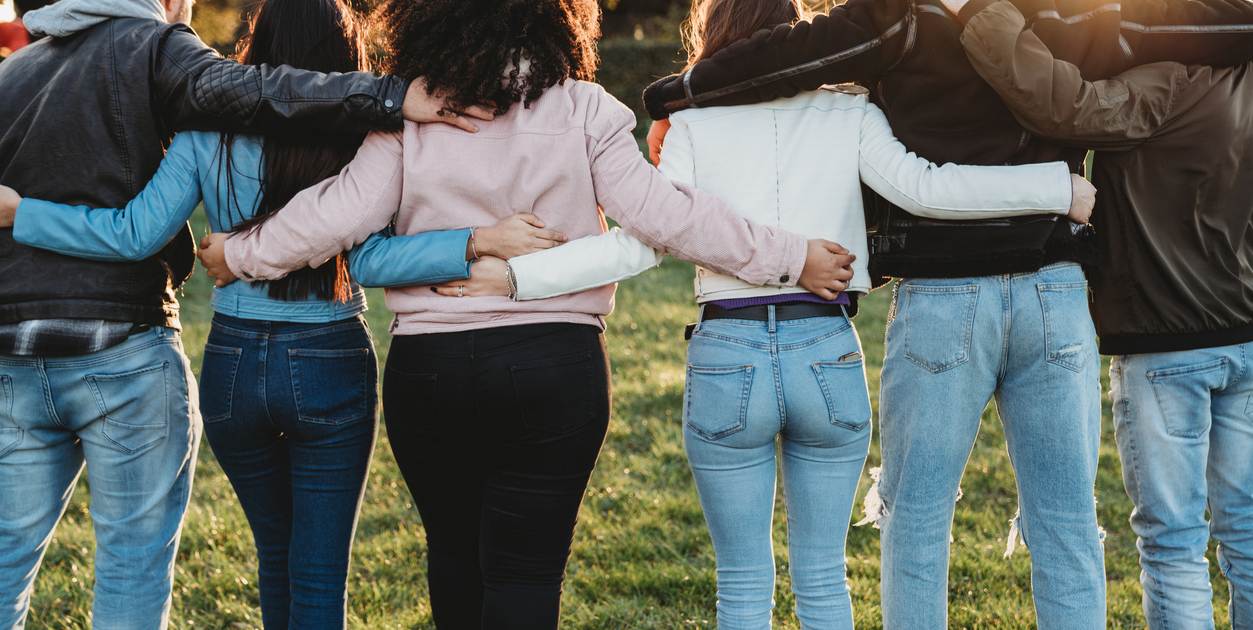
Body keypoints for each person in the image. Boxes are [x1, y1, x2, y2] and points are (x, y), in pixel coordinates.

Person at [193, 0, 863, 625]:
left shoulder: (414, 115)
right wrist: (789, 254)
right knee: (526, 574)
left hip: (431, 373)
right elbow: (666, 217)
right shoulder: (587, 111)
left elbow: (334, 214)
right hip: (553, 371)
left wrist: (242, 253)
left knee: (453, 559)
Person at [636, 0, 1253, 625]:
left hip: (943, 294)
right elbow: (1206, 24)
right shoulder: (1072, 12)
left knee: (917, 520)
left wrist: (674, 94)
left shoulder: (897, 17)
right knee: (1066, 520)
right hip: (1054, 291)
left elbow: (785, 54)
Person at [0, 0, 555, 627]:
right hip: (329, 359)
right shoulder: (365, 135)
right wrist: (471, 242)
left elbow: (134, 234)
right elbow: (370, 260)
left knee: (273, 559)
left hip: (232, 366)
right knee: (318, 578)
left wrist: (28, 213)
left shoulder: (204, 133)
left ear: (255, 41)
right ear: (342, 55)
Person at [941, 0, 1253, 624]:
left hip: (1165, 343)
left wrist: (978, 12)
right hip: (1247, 336)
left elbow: (1063, 103)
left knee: (1174, 542)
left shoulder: (1170, 86)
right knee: (1247, 534)